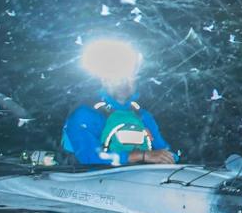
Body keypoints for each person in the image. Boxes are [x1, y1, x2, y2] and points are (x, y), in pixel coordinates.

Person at [60, 38, 175, 166]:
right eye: (118, 75)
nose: (124, 80)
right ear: (104, 79)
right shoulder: (86, 113)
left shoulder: (143, 116)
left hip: (137, 179)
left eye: (130, 75)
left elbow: (166, 152)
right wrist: (142, 156)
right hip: (91, 180)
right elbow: (89, 156)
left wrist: (171, 157)